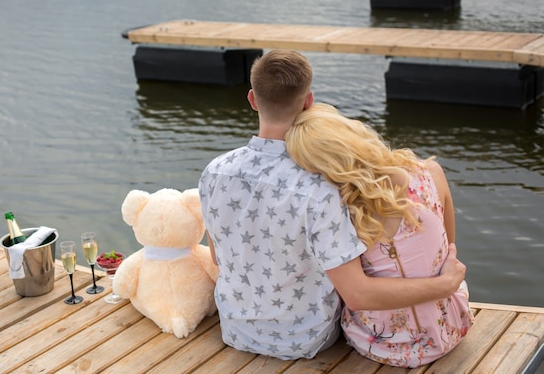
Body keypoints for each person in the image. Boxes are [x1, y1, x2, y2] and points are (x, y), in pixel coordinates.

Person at [198, 49, 466, 360]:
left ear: (253, 100)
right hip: (307, 338)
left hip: (236, 329)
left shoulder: (215, 171)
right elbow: (358, 293)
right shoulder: (324, 185)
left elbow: (218, 258)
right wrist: (446, 284)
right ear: (309, 101)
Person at [285, 102, 474, 367]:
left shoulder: (341, 213)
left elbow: (355, 295)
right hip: (452, 325)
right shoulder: (431, 174)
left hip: (385, 345)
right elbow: (449, 247)